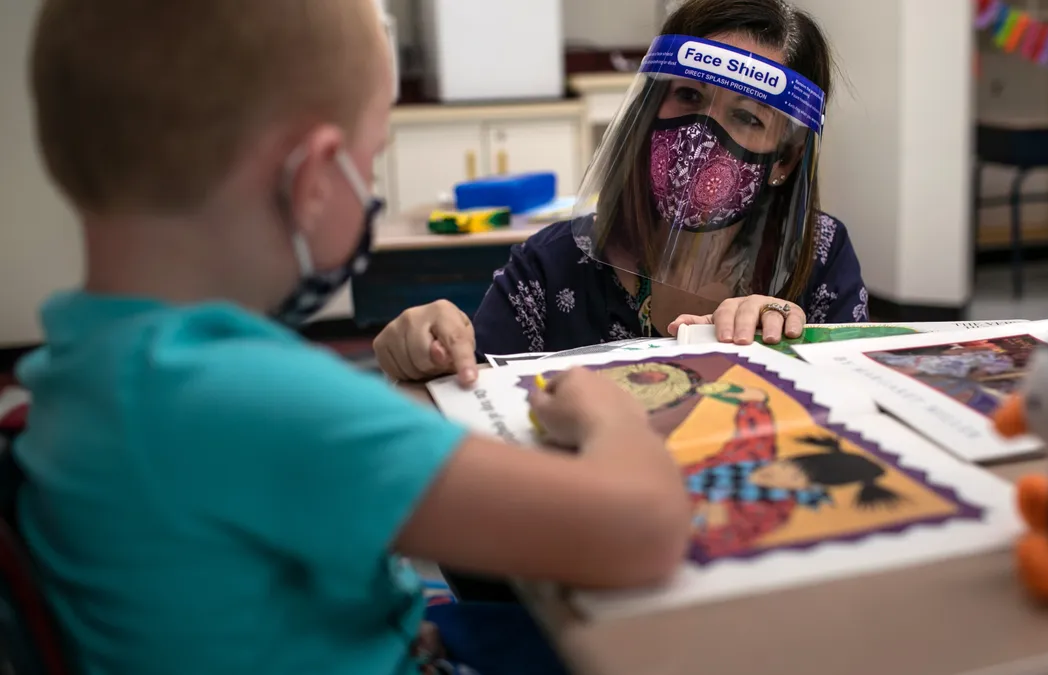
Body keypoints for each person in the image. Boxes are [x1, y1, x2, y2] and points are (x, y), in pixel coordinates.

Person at [16, 1, 691, 674]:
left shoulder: (70, 368)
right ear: (312, 178)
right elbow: (644, 530)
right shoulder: (254, 399)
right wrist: (612, 415)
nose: (369, 188)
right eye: (371, 163)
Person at [374, 0, 868, 385]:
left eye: (745, 117)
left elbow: (861, 410)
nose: (700, 137)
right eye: (688, 96)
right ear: (649, 108)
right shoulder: (554, 267)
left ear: (783, 159)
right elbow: (466, 402)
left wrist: (794, 344)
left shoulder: (818, 256)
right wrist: (427, 358)